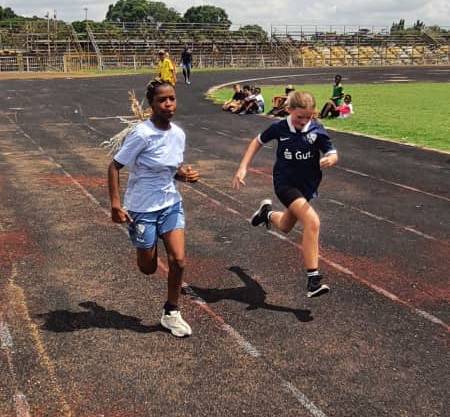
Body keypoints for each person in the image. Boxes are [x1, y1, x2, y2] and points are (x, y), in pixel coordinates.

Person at [107, 79, 199, 337]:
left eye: (172, 98)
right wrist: (115, 205)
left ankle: (171, 312)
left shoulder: (178, 134)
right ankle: (147, 244)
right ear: (152, 104)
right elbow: (114, 167)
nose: (168, 104)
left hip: (170, 203)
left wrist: (185, 175)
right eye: (162, 100)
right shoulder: (142, 134)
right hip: (142, 208)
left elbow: (172, 170)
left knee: (178, 260)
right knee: (148, 268)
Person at [232, 91, 338, 297]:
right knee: (312, 222)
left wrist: (331, 159)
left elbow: (331, 151)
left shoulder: (317, 129)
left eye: (308, 117)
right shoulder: (279, 128)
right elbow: (257, 141)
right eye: (299, 116)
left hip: (307, 186)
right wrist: (243, 167)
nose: (304, 121)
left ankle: (267, 214)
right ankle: (313, 279)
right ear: (289, 110)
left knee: (286, 226)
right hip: (285, 184)